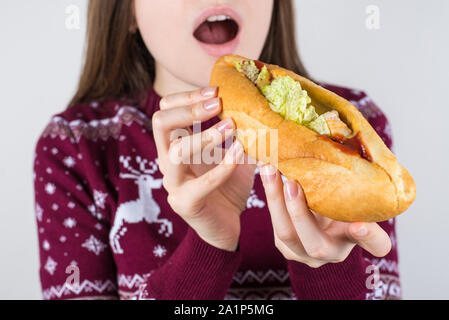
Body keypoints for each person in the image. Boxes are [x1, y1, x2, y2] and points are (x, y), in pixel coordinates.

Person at [34, 0, 400, 300]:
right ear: (126, 10)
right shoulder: (74, 147)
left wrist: (328, 266)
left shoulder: (358, 135)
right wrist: (209, 244)